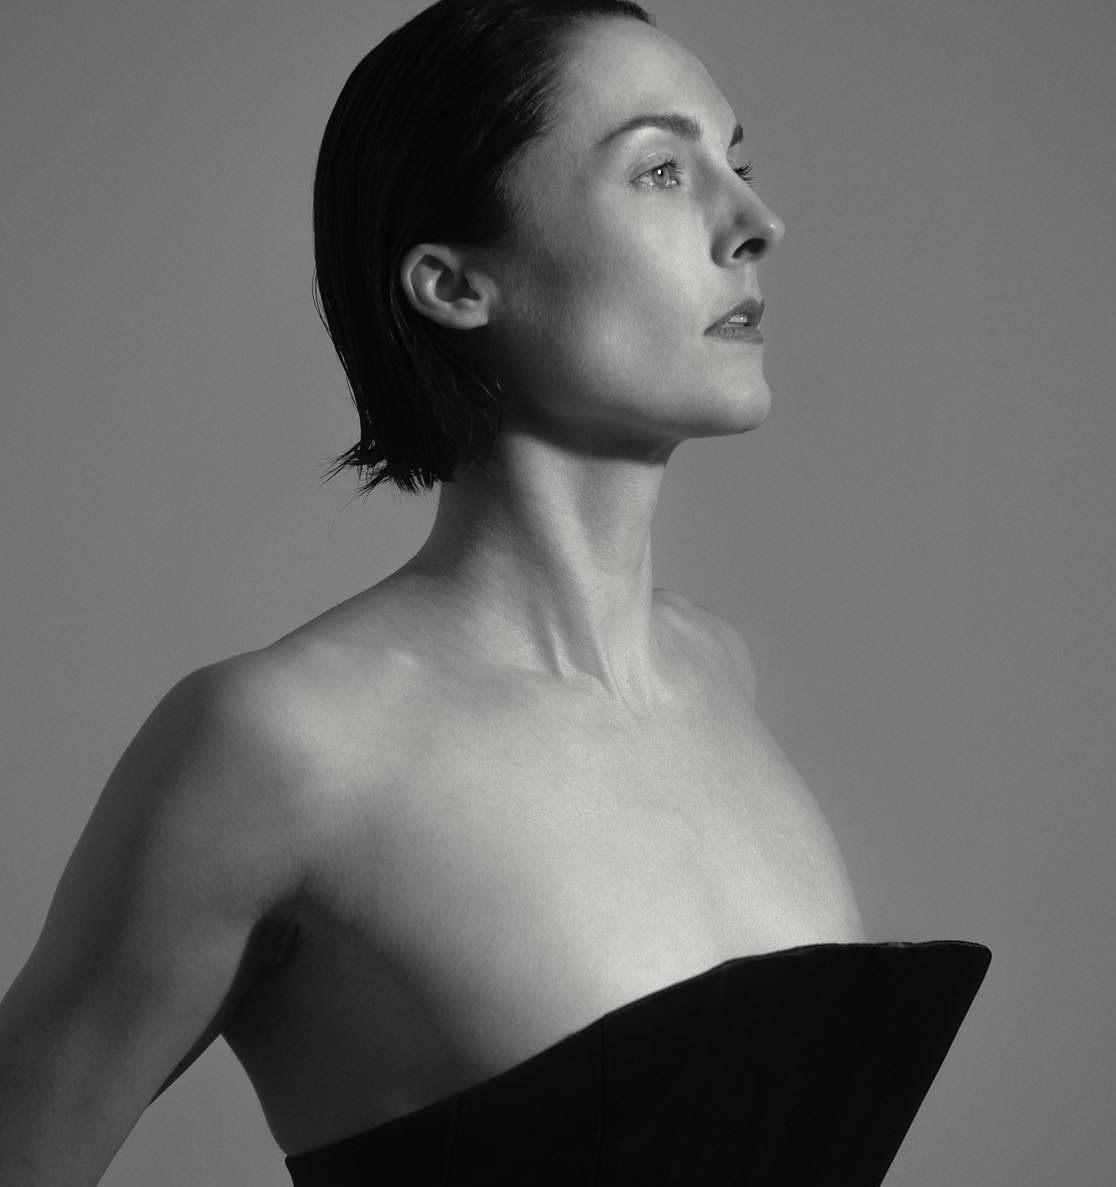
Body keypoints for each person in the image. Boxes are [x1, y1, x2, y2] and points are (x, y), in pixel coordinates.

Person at [0, 2, 989, 1183]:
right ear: (456, 283)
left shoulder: (718, 671)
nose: (755, 223)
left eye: (739, 163)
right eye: (664, 170)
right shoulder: (282, 747)